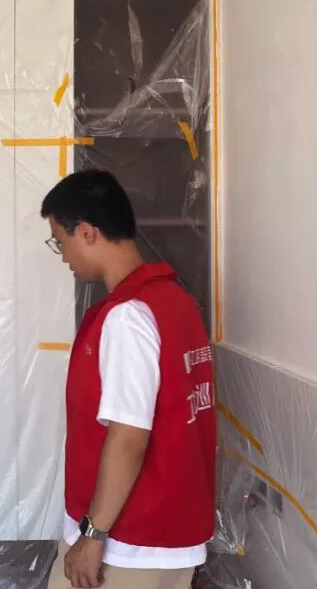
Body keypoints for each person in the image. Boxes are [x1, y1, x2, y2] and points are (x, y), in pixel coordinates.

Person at [41, 170, 215, 589]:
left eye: (60, 241)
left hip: (129, 543)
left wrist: (92, 534)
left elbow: (128, 438)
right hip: (169, 533)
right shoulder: (176, 302)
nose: (63, 256)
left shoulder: (127, 317)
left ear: (87, 233)